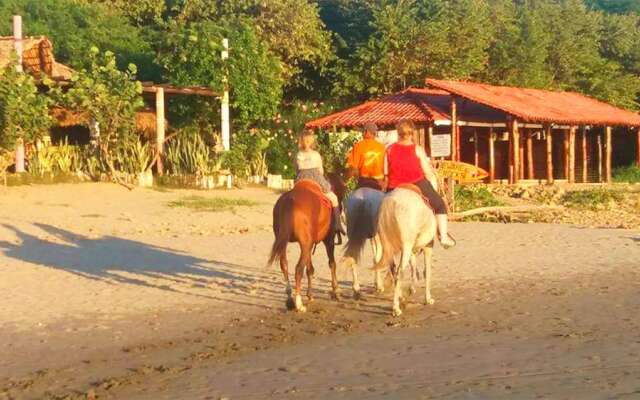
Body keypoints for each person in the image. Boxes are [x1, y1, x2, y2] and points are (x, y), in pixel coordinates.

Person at [384, 119, 456, 248]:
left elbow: (385, 171)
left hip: (394, 186)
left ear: (398, 133)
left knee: (381, 210)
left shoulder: (389, 149)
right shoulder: (417, 149)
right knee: (440, 205)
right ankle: (444, 237)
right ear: (412, 134)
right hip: (416, 183)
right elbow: (427, 172)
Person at [295, 130, 345, 234]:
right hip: (315, 177)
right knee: (334, 198)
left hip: (301, 179)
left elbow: (296, 169)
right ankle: (337, 224)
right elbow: (321, 171)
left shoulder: (298, 155)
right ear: (312, 141)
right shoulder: (316, 154)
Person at [346, 122, 386, 190]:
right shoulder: (382, 147)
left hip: (364, 183)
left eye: (363, 131)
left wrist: (345, 180)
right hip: (379, 184)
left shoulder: (358, 146)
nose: (362, 134)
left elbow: (353, 168)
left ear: (366, 132)